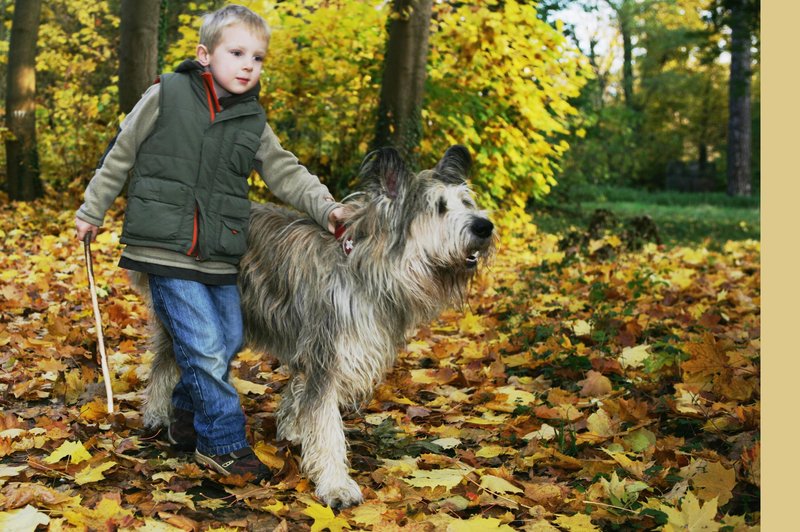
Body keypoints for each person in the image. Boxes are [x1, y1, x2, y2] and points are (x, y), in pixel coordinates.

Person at [75, 4, 343, 483]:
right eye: (236, 53)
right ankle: (222, 443)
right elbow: (121, 153)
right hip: (164, 246)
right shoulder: (167, 95)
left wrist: (329, 209)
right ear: (204, 55)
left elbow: (285, 171)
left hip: (220, 252)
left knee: (227, 339)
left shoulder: (251, 120)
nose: (248, 65)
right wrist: (92, 210)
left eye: (257, 58)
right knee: (202, 348)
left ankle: (183, 416)